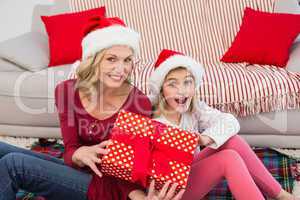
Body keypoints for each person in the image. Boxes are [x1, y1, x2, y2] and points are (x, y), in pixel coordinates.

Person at [0, 17, 184, 200]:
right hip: (79, 171)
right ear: (93, 60)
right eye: (111, 59)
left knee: (14, 164)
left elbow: (127, 172)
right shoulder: (66, 91)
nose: (121, 69)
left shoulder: (137, 102)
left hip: (107, 186)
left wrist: (139, 197)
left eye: (127, 60)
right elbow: (70, 150)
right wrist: (78, 154)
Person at [149, 49, 299, 200]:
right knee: (229, 159)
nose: (181, 91)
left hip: (191, 170)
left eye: (187, 82)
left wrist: (205, 139)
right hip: (173, 192)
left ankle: (281, 195)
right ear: (161, 89)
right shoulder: (156, 122)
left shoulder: (194, 109)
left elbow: (229, 121)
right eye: (172, 84)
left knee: (232, 141)